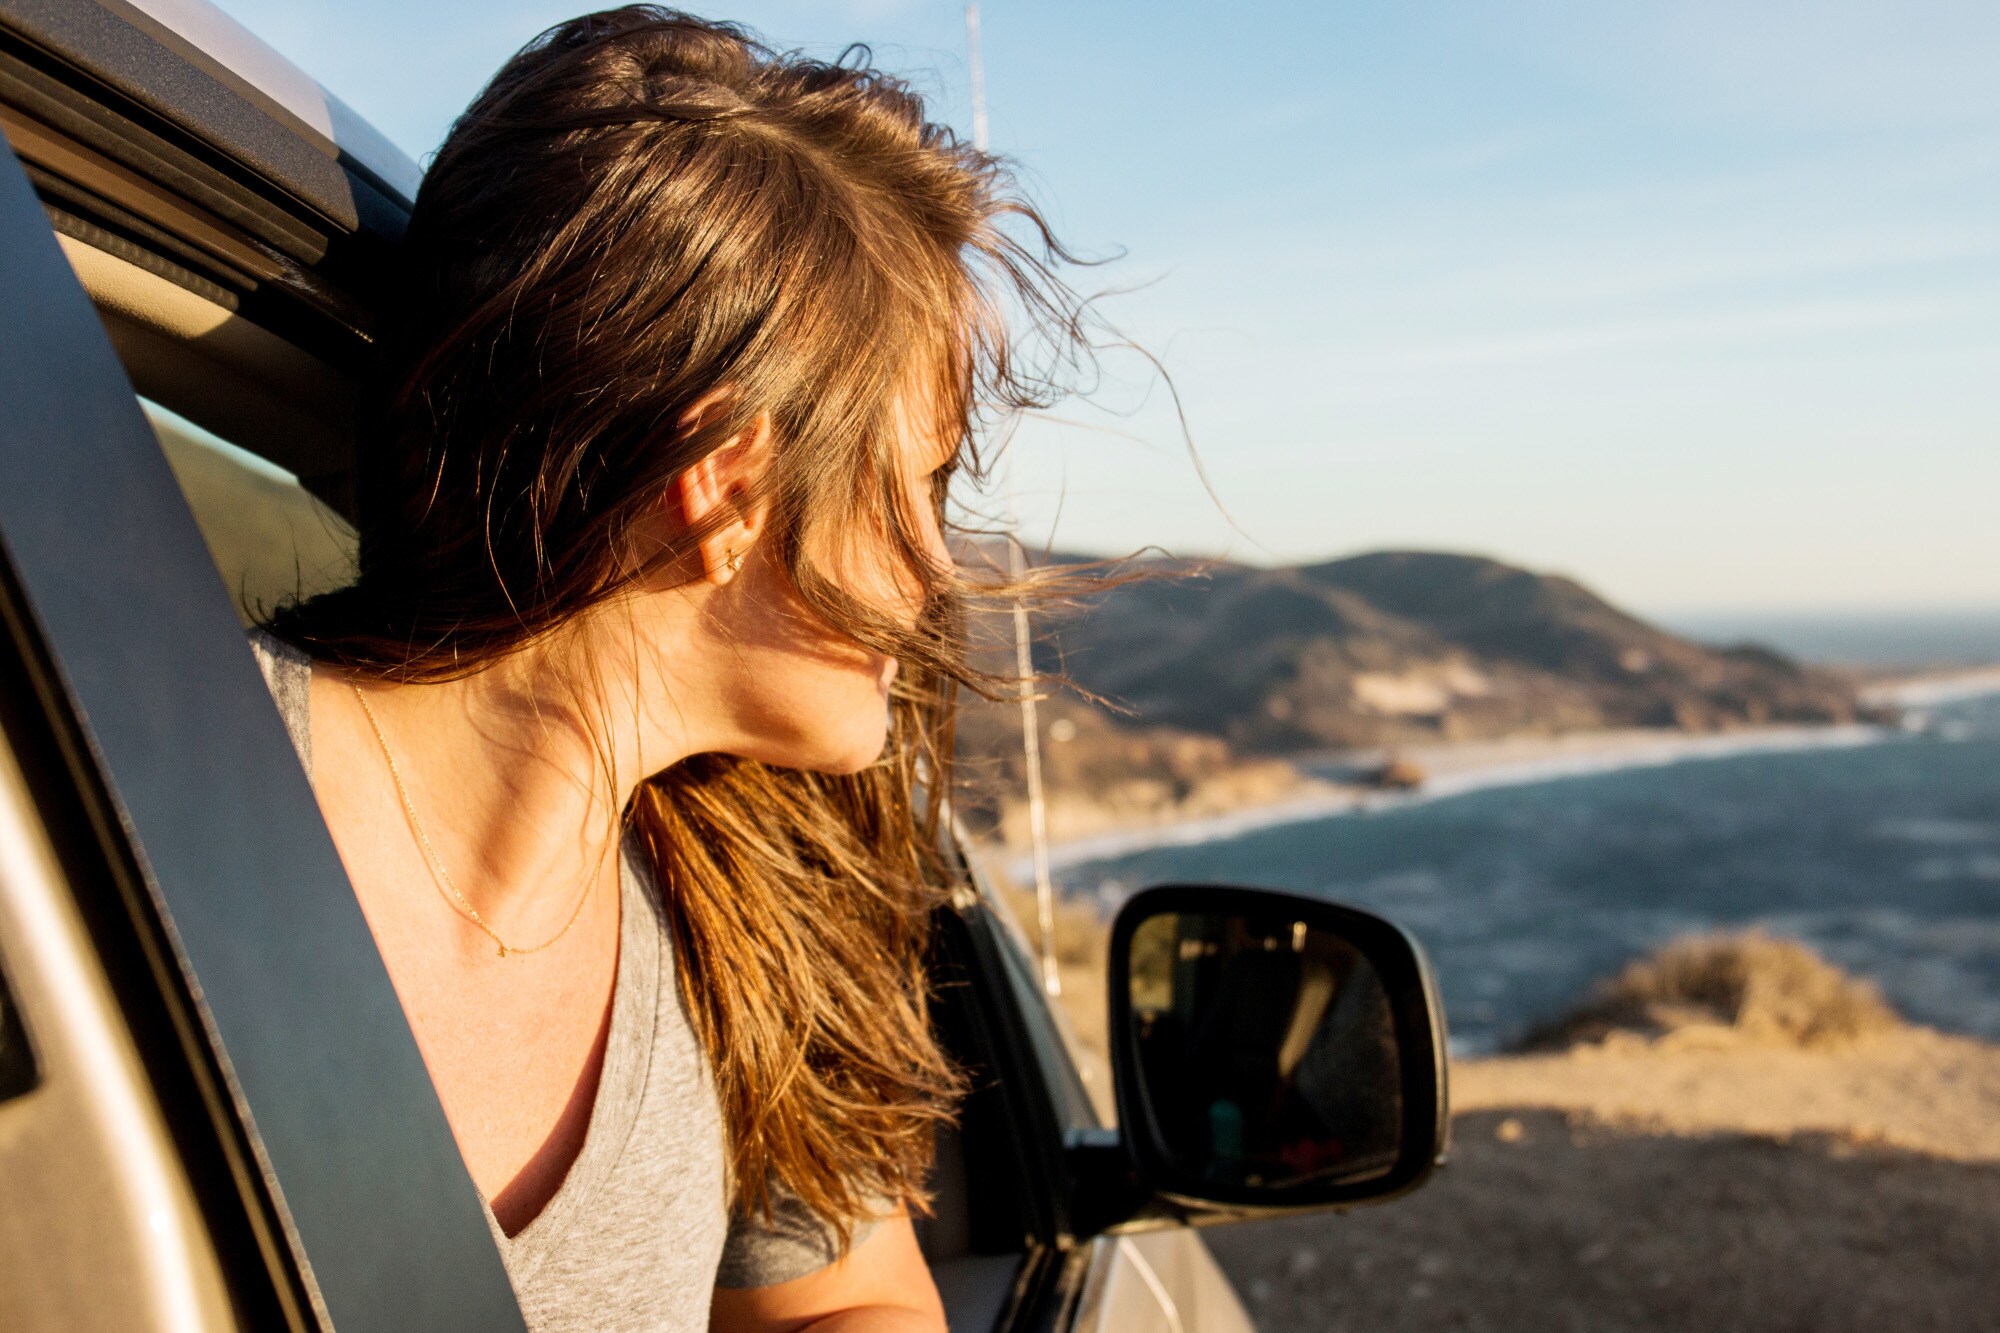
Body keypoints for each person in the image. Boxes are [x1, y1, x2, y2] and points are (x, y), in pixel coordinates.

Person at [249, 8, 1087, 1330]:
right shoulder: (102, 802)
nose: (935, 574)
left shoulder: (735, 897)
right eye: (915, 488)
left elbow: (846, 1303)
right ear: (725, 486)